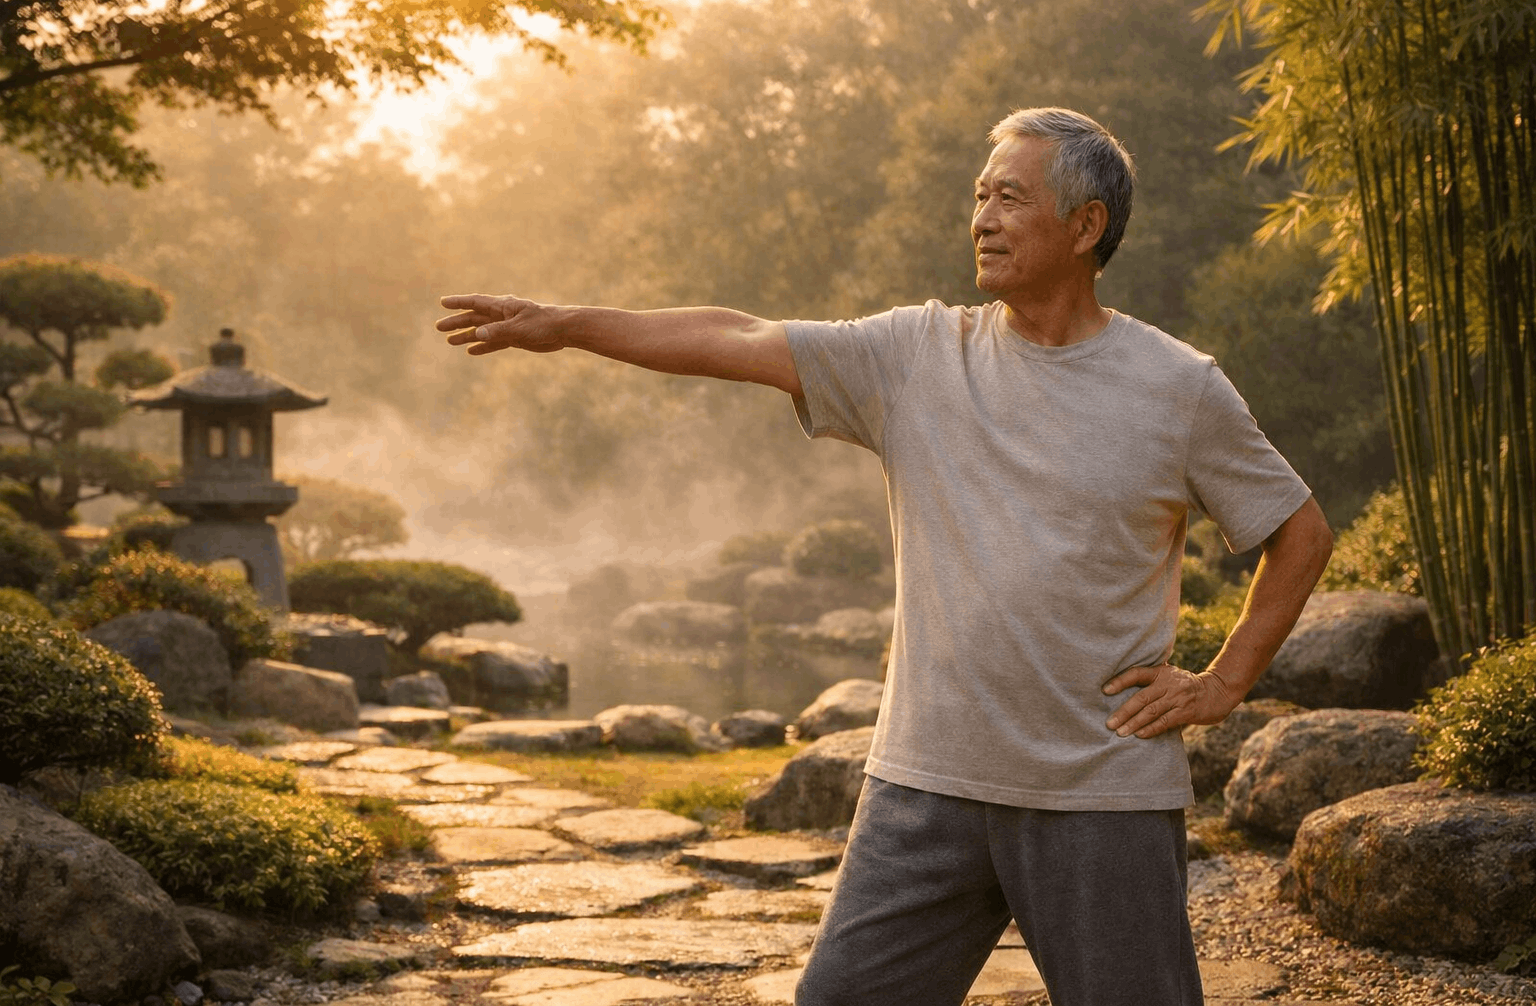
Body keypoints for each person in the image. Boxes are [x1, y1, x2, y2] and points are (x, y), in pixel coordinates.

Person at [435, 106, 1334, 1006]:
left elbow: (1299, 533)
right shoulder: (916, 355)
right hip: (926, 785)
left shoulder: (1178, 387)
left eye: (1010, 198)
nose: (982, 219)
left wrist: (1223, 683)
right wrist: (569, 324)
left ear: (1085, 225)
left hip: (1100, 792)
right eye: (979, 196)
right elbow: (738, 336)